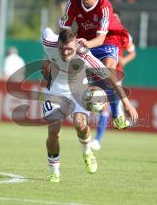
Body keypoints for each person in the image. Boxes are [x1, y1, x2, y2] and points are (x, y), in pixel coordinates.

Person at [41, 28, 138, 182]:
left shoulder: (84, 54)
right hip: (57, 91)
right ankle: (54, 171)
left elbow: (110, 78)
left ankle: (87, 151)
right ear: (57, 43)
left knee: (80, 123)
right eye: (62, 48)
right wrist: (46, 67)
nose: (65, 53)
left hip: (79, 90)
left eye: (69, 49)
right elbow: (47, 29)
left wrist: (126, 103)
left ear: (76, 44)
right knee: (53, 132)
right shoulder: (48, 41)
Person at [59, 0, 132, 129]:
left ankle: (117, 114)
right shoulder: (72, 4)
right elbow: (64, 32)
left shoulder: (104, 6)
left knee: (109, 70)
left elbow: (100, 39)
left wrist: (86, 44)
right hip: (84, 40)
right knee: (89, 79)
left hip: (108, 39)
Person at [91, 11, 137, 151]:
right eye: (111, 19)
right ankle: (98, 139)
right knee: (103, 107)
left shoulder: (124, 35)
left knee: (110, 110)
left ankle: (118, 115)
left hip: (115, 75)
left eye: (115, 19)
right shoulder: (100, 35)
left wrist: (124, 59)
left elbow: (133, 52)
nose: (113, 21)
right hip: (98, 73)